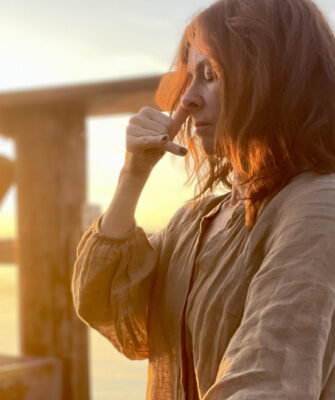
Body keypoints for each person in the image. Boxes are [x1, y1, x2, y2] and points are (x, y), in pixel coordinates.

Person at [71, 0, 335, 399]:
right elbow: (111, 309)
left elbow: (268, 383)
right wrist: (133, 173)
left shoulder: (317, 207)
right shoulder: (195, 219)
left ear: (273, 79)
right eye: (189, 77)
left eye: (209, 74)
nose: (187, 100)